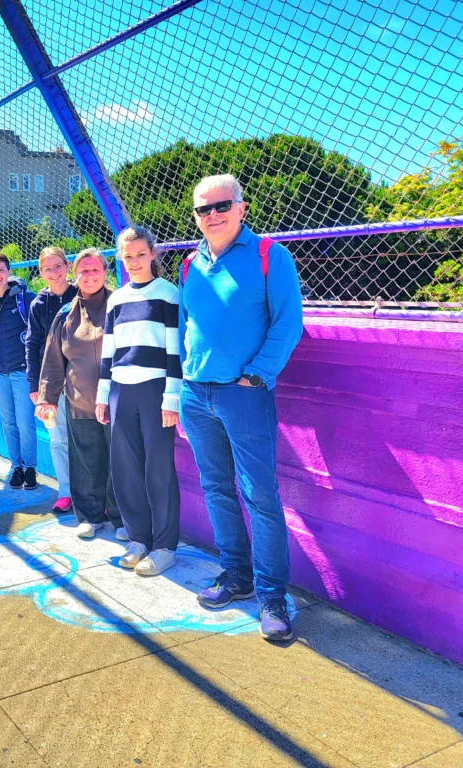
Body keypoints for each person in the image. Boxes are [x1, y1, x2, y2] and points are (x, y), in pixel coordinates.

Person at [178, 174, 303, 642]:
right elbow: (186, 325)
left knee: (259, 494)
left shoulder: (271, 256)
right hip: (196, 393)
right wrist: (184, 375)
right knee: (216, 487)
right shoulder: (191, 265)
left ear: (241, 207)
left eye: (221, 205)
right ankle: (236, 575)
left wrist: (255, 375)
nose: (212, 215)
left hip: (243, 393)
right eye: (202, 209)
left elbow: (288, 323)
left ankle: (272, 595)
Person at [95, 225, 182, 577]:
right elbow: (108, 352)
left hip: (155, 390)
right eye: (127, 256)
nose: (133, 262)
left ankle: (164, 547)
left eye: (140, 255)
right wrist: (103, 396)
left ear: (153, 255)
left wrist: (171, 397)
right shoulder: (116, 299)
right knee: (125, 469)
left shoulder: (168, 294)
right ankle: (139, 539)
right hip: (120, 391)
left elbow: (176, 350)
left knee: (158, 469)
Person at [37, 249, 125, 540]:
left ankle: (121, 518)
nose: (89, 276)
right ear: (75, 275)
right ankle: (89, 516)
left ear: (105, 271)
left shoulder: (121, 305)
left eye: (95, 270)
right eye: (83, 271)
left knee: (119, 463)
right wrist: (47, 398)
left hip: (118, 405)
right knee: (86, 463)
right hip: (79, 403)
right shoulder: (65, 315)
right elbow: (53, 361)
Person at [26, 246, 78, 512]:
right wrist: (35, 387)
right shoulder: (38, 304)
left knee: (87, 438)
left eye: (58, 266)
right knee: (58, 439)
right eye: (47, 268)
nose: (54, 272)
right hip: (51, 384)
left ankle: (92, 493)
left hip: (82, 383)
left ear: (67, 266)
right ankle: (66, 492)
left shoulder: (82, 295)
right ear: (41, 273)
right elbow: (32, 345)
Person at [0, 253, 39, 490]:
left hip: (21, 370)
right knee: (7, 422)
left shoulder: (24, 298)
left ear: (9, 271)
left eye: (1, 270)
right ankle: (16, 466)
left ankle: (31, 468)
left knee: (25, 422)